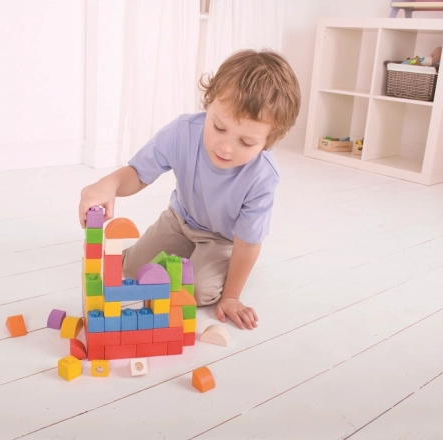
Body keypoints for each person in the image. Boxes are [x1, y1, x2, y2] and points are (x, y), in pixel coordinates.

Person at [79, 49, 300, 330]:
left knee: (196, 292)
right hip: (180, 219)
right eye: (218, 127)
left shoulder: (263, 177)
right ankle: (179, 255)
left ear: (269, 141)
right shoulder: (182, 132)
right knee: (133, 270)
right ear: (209, 103)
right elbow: (138, 173)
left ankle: (207, 266)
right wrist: (107, 184)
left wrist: (231, 297)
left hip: (222, 239)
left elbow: (247, 243)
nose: (226, 148)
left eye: (246, 142)